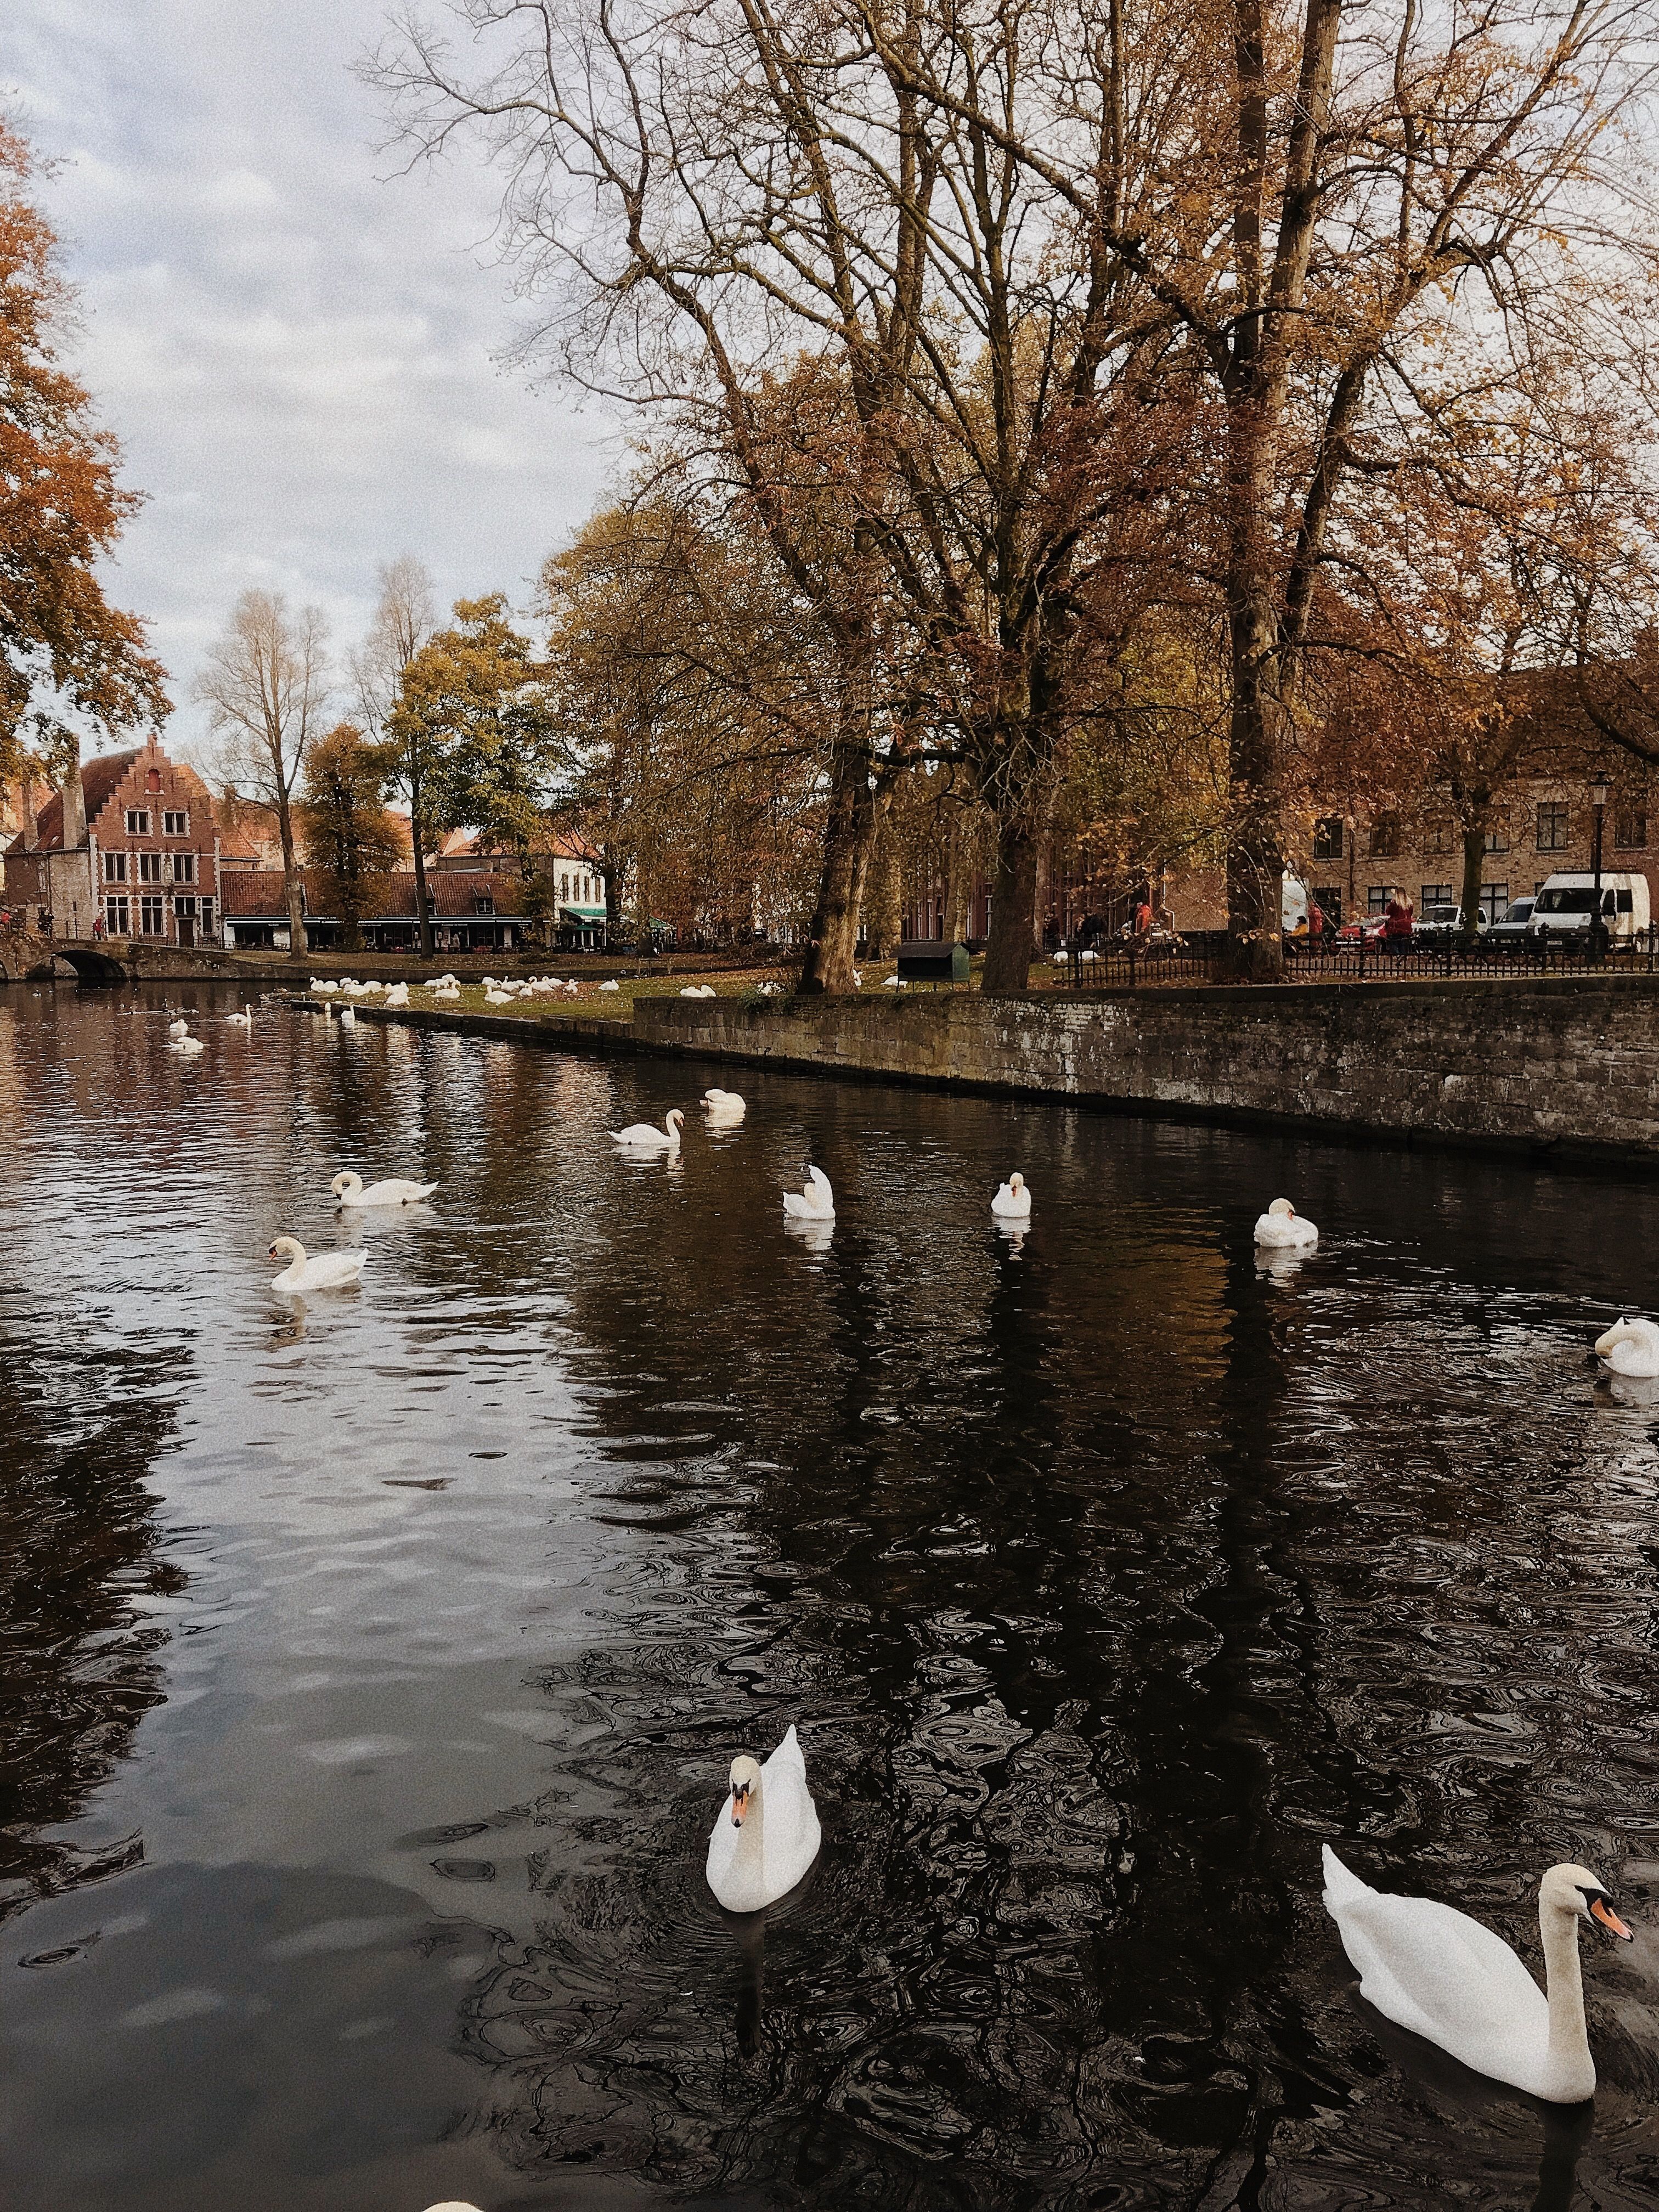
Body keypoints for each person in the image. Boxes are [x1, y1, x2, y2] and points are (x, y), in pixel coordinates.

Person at [1383, 889, 1413, 953]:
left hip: (1396, 927)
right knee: (1404, 946)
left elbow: (1388, 912)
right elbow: (1410, 914)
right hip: (1407, 928)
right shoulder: (1409, 904)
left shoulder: (1395, 903)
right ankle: (1402, 959)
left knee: (1394, 945)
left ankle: (1397, 959)